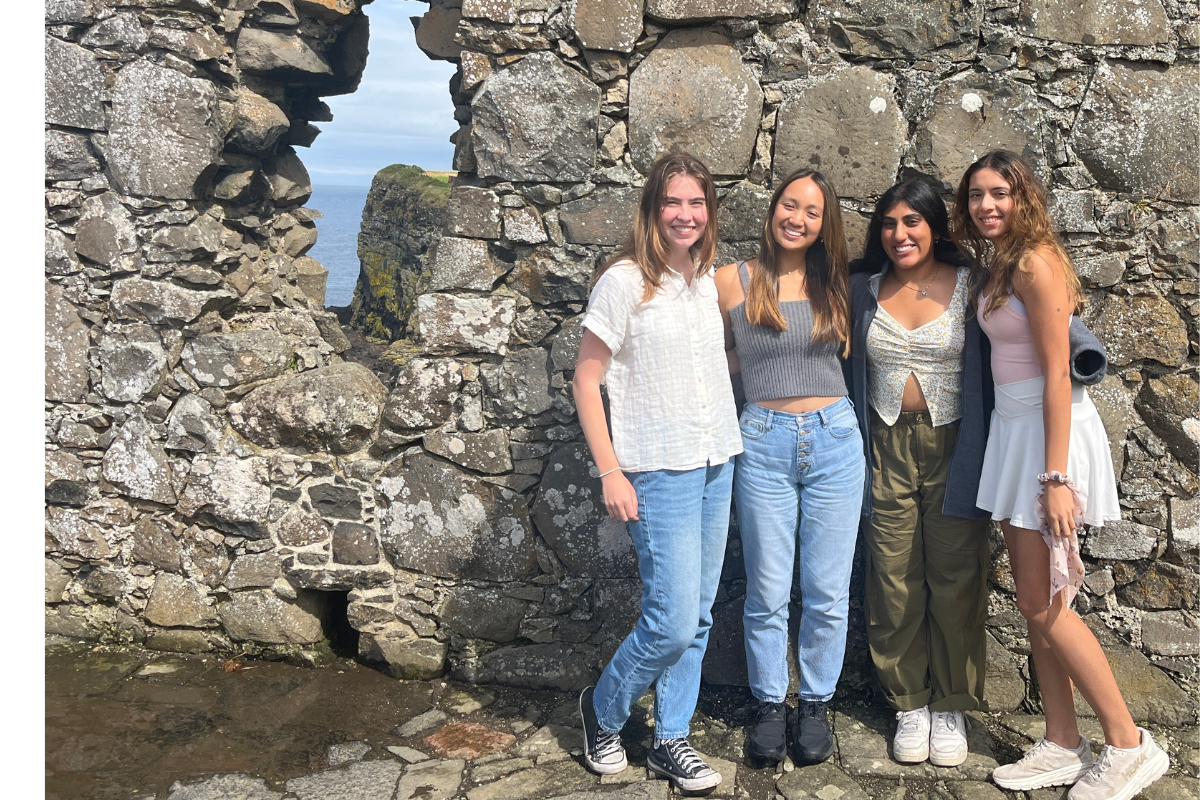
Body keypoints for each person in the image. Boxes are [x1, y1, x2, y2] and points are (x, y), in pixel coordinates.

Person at [951, 150, 1169, 800]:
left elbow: (1055, 372)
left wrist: (1055, 477)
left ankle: (1129, 745)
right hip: (1016, 434)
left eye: (999, 193)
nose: (986, 206)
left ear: (1023, 197)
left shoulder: (1036, 263)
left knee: (1045, 605)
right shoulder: (1001, 263)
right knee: (1038, 600)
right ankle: (1063, 741)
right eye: (976, 196)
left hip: (1049, 442)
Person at [573, 151, 742, 794]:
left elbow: (707, 365)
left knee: (697, 617)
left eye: (696, 203)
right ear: (651, 209)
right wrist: (610, 470)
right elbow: (587, 382)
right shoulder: (622, 282)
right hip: (655, 469)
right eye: (673, 202)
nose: (684, 214)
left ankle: (672, 737)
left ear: (709, 212)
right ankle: (603, 709)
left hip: (714, 460)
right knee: (669, 618)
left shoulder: (705, 282)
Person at [714, 169, 864, 766]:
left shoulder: (842, 285)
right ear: (772, 207)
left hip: (834, 439)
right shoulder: (734, 279)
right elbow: (706, 352)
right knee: (768, 591)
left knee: (827, 590)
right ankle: (771, 704)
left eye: (812, 212)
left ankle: (816, 703)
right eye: (789, 204)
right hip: (763, 442)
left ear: (825, 226)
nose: (797, 218)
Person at [846, 180, 992, 768]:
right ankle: (908, 700)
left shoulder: (974, 283)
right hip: (882, 443)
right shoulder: (862, 288)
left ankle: (951, 701)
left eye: (912, 222)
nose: (899, 234)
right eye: (888, 224)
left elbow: (1037, 321)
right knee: (892, 574)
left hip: (957, 444)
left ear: (935, 226)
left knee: (957, 574)